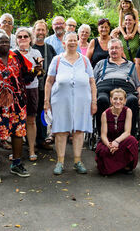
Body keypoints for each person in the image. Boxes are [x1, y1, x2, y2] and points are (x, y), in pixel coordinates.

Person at [0, 32, 41, 182]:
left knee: (18, 133)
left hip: (17, 103)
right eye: (0, 42)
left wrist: (36, 71)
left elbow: (27, 77)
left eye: (6, 42)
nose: (4, 44)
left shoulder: (16, 57)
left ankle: (16, 164)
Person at [44, 32, 97, 175]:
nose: (72, 43)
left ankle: (77, 161)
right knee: (61, 131)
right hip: (60, 101)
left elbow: (92, 82)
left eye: (75, 40)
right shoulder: (57, 60)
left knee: (79, 131)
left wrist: (94, 101)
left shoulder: (85, 60)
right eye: (69, 40)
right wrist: (46, 101)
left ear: (78, 42)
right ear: (64, 43)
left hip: (82, 101)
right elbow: (49, 81)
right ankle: (60, 162)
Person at [94, 39, 140, 136]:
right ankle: (102, 136)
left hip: (125, 88)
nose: (114, 50)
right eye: (111, 48)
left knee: (133, 100)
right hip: (104, 86)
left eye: (116, 48)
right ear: (108, 50)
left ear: (121, 50)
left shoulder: (130, 65)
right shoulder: (101, 63)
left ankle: (130, 137)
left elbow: (138, 85)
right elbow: (91, 82)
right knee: (102, 100)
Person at [95, 88, 139, 175]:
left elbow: (127, 132)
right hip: (109, 141)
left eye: (121, 99)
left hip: (122, 140)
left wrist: (117, 141)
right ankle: (115, 166)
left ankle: (123, 164)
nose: (118, 101)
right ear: (111, 100)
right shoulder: (105, 114)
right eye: (115, 99)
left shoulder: (128, 111)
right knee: (103, 151)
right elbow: (103, 135)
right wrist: (109, 145)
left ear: (125, 101)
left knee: (132, 140)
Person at [15, 27, 43, 161]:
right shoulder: (12, 54)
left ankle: (32, 149)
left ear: (30, 38)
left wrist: (37, 69)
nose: (22, 39)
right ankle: (17, 151)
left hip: (32, 89)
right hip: (16, 90)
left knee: (31, 120)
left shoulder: (36, 52)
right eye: (19, 37)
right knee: (17, 120)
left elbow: (40, 73)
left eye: (25, 36)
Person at [32, 20, 57, 150]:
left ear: (46, 32)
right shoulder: (29, 47)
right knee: (31, 114)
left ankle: (41, 139)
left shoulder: (50, 48)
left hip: (45, 87)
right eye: (38, 30)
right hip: (31, 87)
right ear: (34, 30)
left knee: (43, 113)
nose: (41, 32)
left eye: (43, 30)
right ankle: (31, 140)